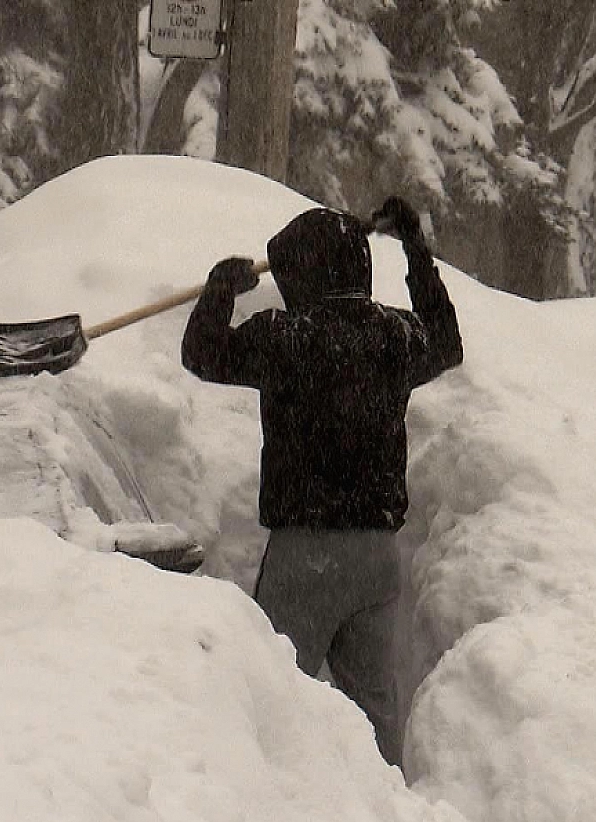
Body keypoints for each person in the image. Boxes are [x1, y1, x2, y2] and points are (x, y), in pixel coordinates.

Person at [181, 197, 462, 764]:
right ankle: (387, 819)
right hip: (376, 557)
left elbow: (202, 353)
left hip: (305, 555)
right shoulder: (395, 337)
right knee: (373, 707)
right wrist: (416, 251)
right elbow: (448, 342)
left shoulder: (285, 338)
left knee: (273, 692)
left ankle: (277, 809)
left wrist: (220, 291)